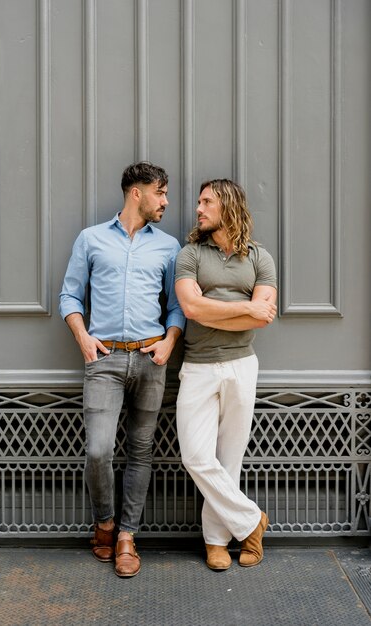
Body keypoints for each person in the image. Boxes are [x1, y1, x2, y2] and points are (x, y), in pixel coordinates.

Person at [59, 162, 185, 578]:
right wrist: (82, 337)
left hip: (151, 361)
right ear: (137, 193)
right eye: (160, 192)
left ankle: (127, 536)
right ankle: (105, 523)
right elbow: (70, 295)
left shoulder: (168, 246)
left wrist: (169, 341)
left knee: (141, 451)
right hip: (104, 360)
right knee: (98, 451)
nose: (165, 201)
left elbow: (175, 305)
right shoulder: (91, 239)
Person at [175, 178, 277, 571]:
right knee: (196, 456)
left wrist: (224, 307)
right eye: (199, 202)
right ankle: (252, 521)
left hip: (241, 364)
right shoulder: (189, 255)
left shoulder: (259, 257)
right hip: (198, 365)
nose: (198, 209)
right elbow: (192, 309)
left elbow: (263, 316)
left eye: (206, 202)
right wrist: (244, 309)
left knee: (229, 457)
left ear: (228, 206)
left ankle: (217, 542)